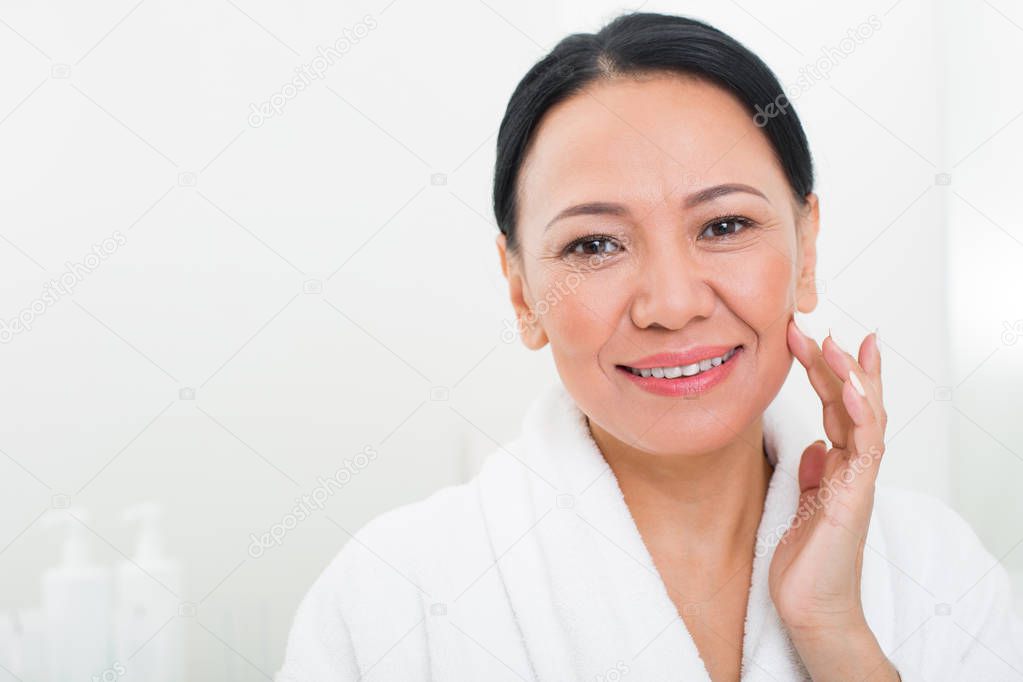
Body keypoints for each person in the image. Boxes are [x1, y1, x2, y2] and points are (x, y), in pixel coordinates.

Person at [276, 11, 1023, 681]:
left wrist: (833, 635)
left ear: (807, 248)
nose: (671, 304)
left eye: (724, 226)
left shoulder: (936, 573)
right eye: (594, 244)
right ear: (520, 292)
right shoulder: (390, 599)